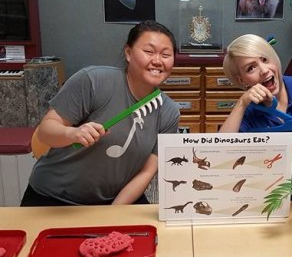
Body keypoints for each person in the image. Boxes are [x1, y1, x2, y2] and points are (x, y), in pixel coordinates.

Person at [21, 20, 180, 206]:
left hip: (113, 201)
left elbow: (147, 171)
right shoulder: (93, 81)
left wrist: (112, 214)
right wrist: (72, 134)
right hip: (52, 198)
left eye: (166, 54)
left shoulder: (169, 111)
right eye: (149, 51)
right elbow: (45, 131)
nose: (157, 61)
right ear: (128, 53)